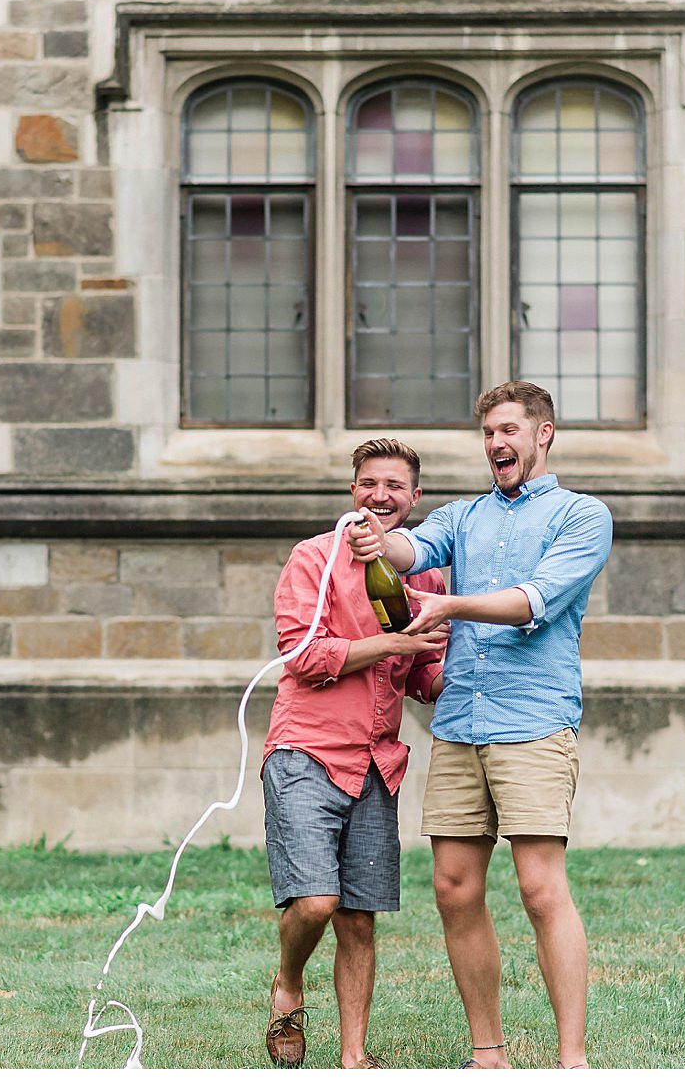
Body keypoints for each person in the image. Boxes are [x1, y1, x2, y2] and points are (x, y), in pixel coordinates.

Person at [345, 381, 612, 1070]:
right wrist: (381, 541)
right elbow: (413, 551)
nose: (496, 442)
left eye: (508, 430)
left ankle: (571, 1060)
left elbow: (533, 601)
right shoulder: (462, 516)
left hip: (532, 722)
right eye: (488, 432)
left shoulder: (582, 517)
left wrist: (451, 606)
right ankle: (486, 1055)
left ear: (542, 434)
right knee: (453, 888)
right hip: (460, 722)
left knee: (539, 887)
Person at [262, 438, 450, 1069]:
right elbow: (303, 658)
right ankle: (289, 983)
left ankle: (352, 1060)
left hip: (377, 763)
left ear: (415, 497)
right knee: (315, 902)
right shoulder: (312, 559)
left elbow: (424, 681)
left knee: (359, 921)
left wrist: (474, 656)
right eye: (369, 483)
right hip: (306, 753)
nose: (380, 496)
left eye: (395, 486)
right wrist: (395, 639)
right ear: (353, 490)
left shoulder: (424, 575)